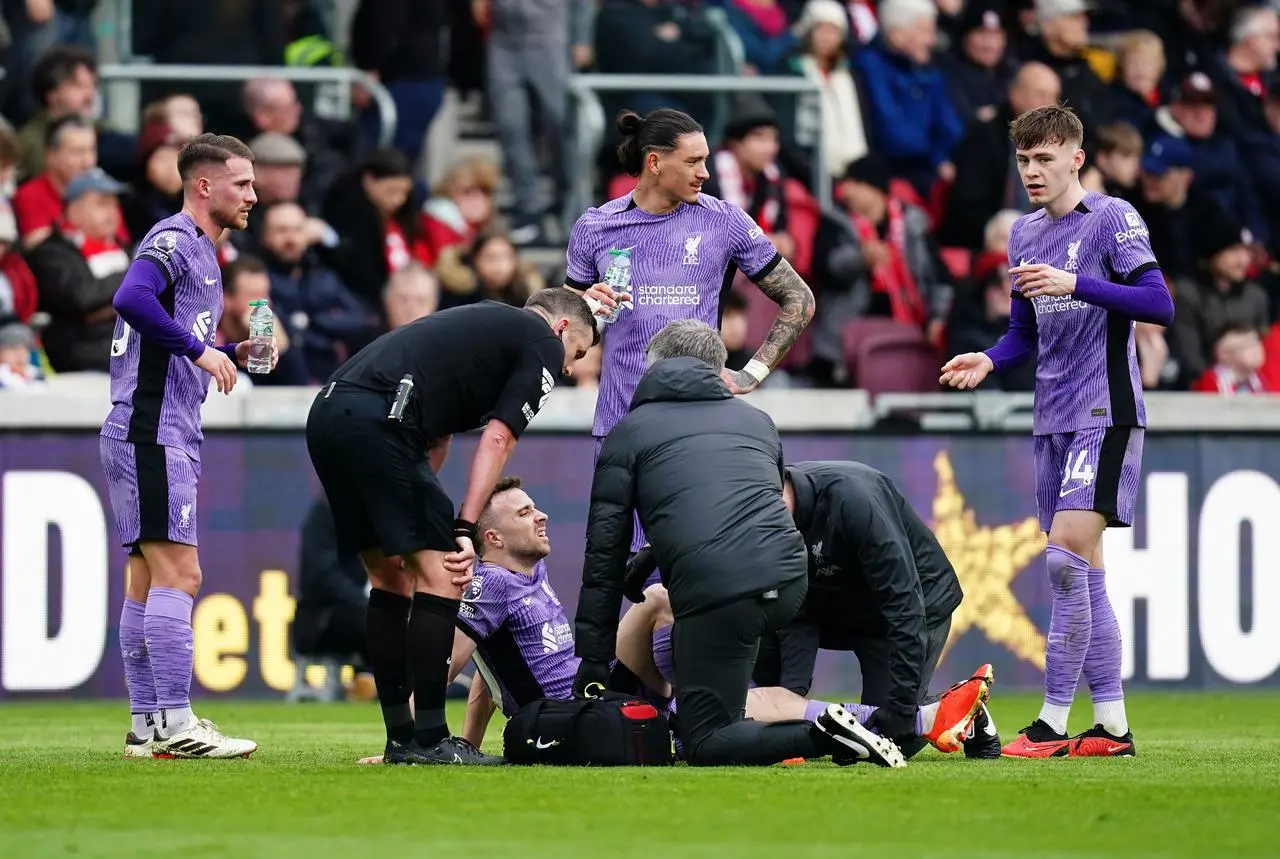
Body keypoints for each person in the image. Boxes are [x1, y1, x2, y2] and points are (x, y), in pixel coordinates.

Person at [356, 477, 990, 765]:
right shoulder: (488, 582)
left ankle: (883, 719)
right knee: (666, 610)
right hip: (586, 706)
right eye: (525, 513)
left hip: (598, 685)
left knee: (734, 683)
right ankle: (878, 720)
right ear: (490, 535)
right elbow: (455, 662)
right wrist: (413, 740)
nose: (541, 517)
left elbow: (490, 678)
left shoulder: (525, 577)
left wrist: (467, 741)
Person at [940, 105, 1174, 758]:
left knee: (1065, 560)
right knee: (1084, 572)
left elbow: (1161, 304)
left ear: (1077, 156)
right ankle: (1113, 727)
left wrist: (1078, 282)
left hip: (1106, 409)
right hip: (1053, 416)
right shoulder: (1021, 234)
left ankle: (1049, 721)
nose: (1033, 171)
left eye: (1045, 158)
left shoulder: (1113, 218)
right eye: (1024, 160)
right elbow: (1024, 332)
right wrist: (989, 358)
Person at [573, 319, 899, 768]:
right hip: (789, 580)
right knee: (726, 698)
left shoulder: (629, 432)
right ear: (718, 369)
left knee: (704, 741)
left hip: (720, 589)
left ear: (653, 368)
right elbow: (746, 510)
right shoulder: (757, 421)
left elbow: (604, 553)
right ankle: (814, 722)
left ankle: (823, 733)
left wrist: (593, 657)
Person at [305, 288, 598, 766]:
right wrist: (463, 525)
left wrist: (417, 519)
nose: (568, 368)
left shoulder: (484, 334)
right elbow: (499, 439)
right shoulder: (540, 340)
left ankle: (401, 739)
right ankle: (432, 739)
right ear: (561, 328)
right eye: (578, 353)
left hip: (330, 415)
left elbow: (435, 439)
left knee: (391, 580)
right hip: (383, 422)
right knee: (447, 574)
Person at [564, 107, 816, 558]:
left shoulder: (725, 221)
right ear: (655, 162)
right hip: (620, 425)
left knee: (688, 565)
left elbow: (800, 299)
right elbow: (570, 328)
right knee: (622, 569)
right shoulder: (596, 226)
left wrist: (751, 374)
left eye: (706, 160)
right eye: (693, 162)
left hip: (696, 427)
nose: (705, 173)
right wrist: (585, 311)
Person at [100, 133, 275, 759]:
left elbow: (172, 340)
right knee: (181, 573)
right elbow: (130, 298)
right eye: (243, 183)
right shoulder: (173, 240)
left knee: (145, 580)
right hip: (151, 428)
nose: (254, 194)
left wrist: (231, 351)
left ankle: (147, 726)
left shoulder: (205, 252)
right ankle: (175, 722)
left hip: (149, 427)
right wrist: (201, 350)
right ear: (204, 186)